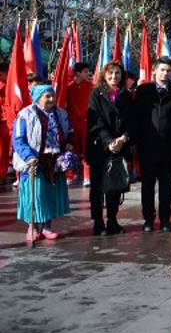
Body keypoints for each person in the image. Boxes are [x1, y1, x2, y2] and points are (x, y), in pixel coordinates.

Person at [13, 84, 74, 242]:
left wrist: (69, 143)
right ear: (38, 98)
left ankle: (47, 227)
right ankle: (32, 227)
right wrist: (28, 157)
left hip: (54, 162)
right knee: (35, 195)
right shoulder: (25, 115)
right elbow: (18, 140)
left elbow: (70, 131)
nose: (51, 99)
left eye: (52, 95)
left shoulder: (60, 113)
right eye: (47, 96)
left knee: (50, 196)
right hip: (34, 161)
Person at [132, 58, 171, 232]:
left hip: (168, 147)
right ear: (154, 71)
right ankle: (148, 219)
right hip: (147, 146)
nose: (165, 73)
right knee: (147, 186)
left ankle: (165, 219)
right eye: (162, 70)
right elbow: (137, 118)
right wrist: (135, 142)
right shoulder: (143, 90)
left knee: (166, 186)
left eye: (168, 70)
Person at [86, 61, 131, 236]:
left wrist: (123, 138)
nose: (114, 77)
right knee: (97, 187)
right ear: (104, 75)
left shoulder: (126, 96)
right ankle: (98, 222)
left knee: (115, 186)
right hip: (100, 147)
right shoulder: (96, 94)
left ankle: (112, 220)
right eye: (111, 74)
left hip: (120, 145)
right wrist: (109, 141)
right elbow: (95, 121)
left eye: (117, 74)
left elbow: (132, 121)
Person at [65, 62, 93, 186]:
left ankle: (87, 176)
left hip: (86, 123)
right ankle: (71, 175)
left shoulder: (91, 86)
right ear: (78, 73)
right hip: (72, 124)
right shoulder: (68, 88)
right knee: (72, 149)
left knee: (87, 150)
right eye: (85, 71)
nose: (88, 74)